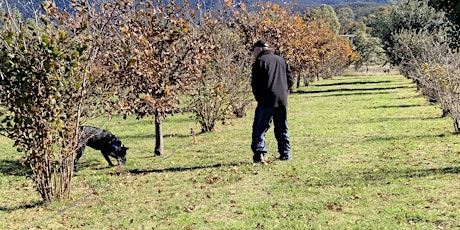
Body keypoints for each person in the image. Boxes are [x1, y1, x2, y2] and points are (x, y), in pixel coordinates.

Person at [250, 39, 294, 163]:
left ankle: (259, 153)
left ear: (259, 49)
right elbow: (290, 80)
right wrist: (283, 91)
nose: (254, 53)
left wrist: (259, 98)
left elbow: (255, 85)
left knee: (260, 128)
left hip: (266, 101)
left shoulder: (259, 62)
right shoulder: (281, 60)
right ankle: (285, 153)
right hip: (281, 100)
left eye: (254, 50)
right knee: (282, 127)